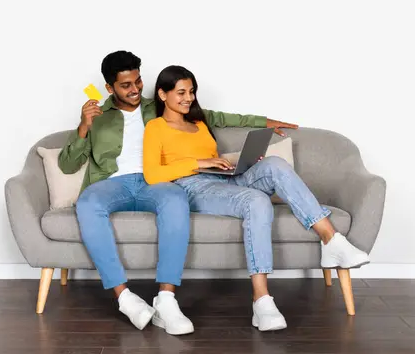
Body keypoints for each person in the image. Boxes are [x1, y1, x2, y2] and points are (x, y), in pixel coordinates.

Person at [57, 51, 294, 335]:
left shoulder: (157, 106)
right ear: (109, 88)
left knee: (176, 200)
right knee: (87, 203)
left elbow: (215, 117)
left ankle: (166, 299)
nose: (134, 90)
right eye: (125, 85)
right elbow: (67, 163)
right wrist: (84, 127)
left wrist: (264, 122)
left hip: (155, 182)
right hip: (113, 183)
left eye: (138, 81)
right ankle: (124, 297)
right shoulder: (97, 116)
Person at [143, 65, 371, 332]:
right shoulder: (155, 127)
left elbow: (227, 137)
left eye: (191, 91)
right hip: (193, 187)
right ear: (162, 94)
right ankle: (262, 301)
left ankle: (331, 239)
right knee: (256, 201)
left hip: (225, 178)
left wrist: (244, 159)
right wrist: (198, 162)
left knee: (274, 163)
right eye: (181, 92)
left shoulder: (199, 122)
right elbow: (152, 174)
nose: (188, 98)